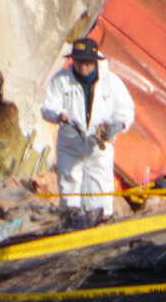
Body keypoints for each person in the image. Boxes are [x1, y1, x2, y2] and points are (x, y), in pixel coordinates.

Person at [40, 36, 135, 218]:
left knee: (100, 193)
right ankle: (72, 225)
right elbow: (47, 107)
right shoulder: (61, 81)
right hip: (70, 146)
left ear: (95, 61)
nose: (83, 66)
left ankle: (101, 225)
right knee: (70, 191)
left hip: (98, 148)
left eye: (87, 63)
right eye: (78, 62)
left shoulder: (111, 82)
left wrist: (116, 126)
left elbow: (126, 109)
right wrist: (58, 115)